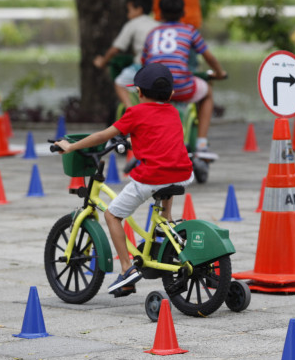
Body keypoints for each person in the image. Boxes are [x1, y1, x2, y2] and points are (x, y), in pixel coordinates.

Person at [53, 63, 193, 295]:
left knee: (112, 214)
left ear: (138, 92)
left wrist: (70, 146)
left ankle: (127, 269)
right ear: (171, 94)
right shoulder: (174, 112)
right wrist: (135, 140)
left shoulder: (135, 112)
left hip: (153, 177)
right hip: (183, 174)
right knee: (166, 188)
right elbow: (161, 138)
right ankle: (163, 230)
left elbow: (101, 136)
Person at [142, 0, 226, 155]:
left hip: (155, 88)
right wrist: (219, 73)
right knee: (207, 92)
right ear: (183, 13)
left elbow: (145, 63)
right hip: (181, 87)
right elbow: (209, 57)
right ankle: (202, 143)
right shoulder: (189, 31)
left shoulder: (152, 33)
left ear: (159, 12)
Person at [93, 0, 159, 109]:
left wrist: (103, 62)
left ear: (138, 10)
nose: (128, 15)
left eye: (129, 10)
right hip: (161, 67)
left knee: (120, 82)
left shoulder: (133, 24)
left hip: (143, 67)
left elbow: (115, 49)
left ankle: (131, 110)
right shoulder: (158, 24)